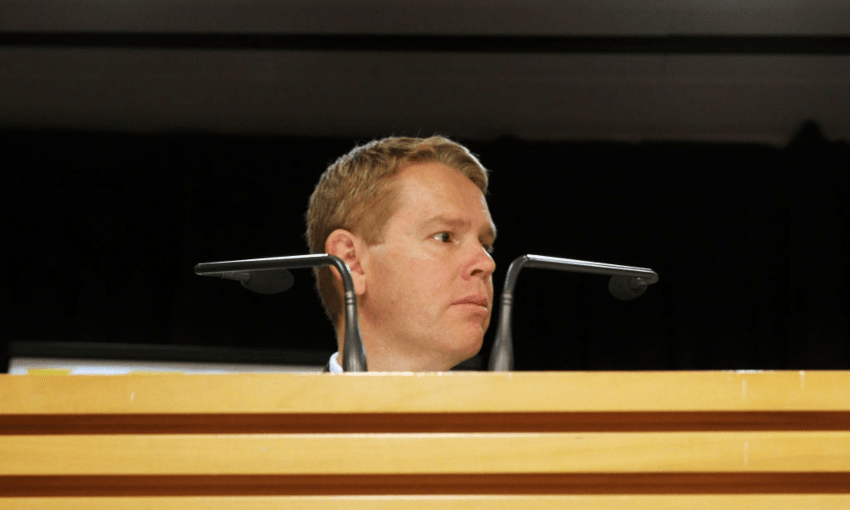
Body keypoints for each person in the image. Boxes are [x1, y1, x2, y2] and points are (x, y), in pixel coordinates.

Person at [306, 136, 497, 372]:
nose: (486, 264)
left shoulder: (533, 408)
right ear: (351, 261)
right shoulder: (269, 408)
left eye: (485, 245)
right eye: (444, 236)